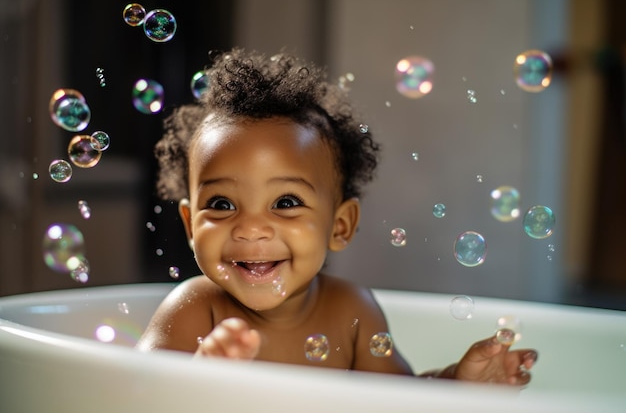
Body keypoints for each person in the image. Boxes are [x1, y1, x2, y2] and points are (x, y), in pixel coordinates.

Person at [136, 48, 537, 384]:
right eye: (222, 204)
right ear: (190, 225)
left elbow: (397, 402)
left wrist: (456, 382)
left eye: (286, 202)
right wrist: (198, 381)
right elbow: (130, 394)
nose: (252, 228)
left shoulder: (352, 311)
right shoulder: (194, 309)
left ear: (340, 225)